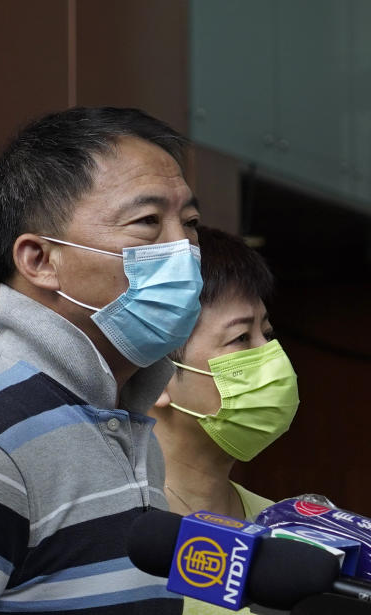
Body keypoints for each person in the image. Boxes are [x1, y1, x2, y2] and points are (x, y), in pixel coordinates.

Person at [0, 106, 204, 614]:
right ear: (40, 260)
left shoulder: (124, 414)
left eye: (190, 223)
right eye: (148, 222)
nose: (185, 248)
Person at [150, 225, 298, 615]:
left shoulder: (284, 533)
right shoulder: (124, 533)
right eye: (240, 339)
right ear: (156, 375)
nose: (272, 356)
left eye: (266, 332)